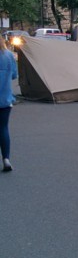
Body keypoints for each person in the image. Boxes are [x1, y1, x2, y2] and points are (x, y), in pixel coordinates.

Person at [0, 36, 17, 172]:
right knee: (3, 128)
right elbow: (14, 75)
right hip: (5, 99)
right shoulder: (9, 56)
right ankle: (6, 159)